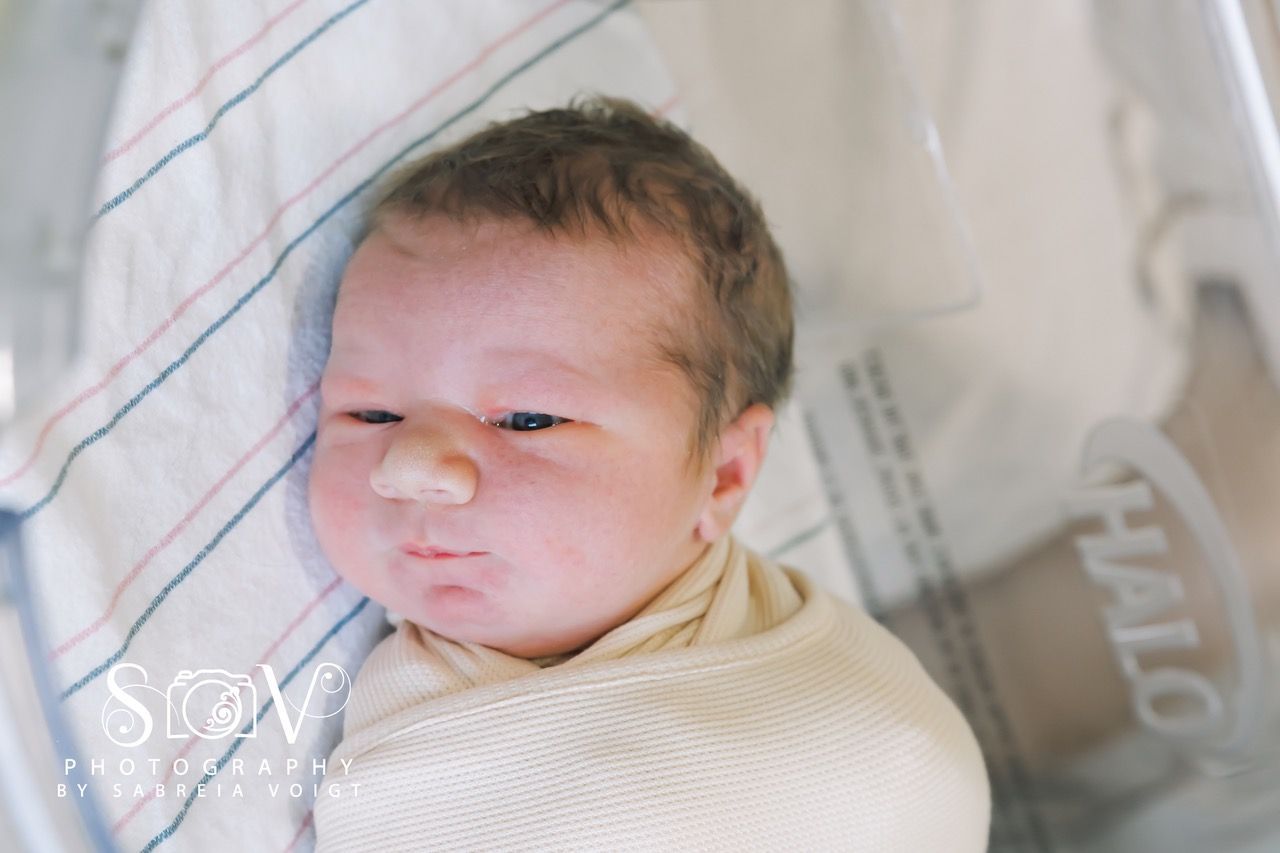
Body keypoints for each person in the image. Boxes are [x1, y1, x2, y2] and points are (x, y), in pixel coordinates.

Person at [307, 95, 990, 850]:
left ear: (725, 475)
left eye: (528, 420)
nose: (408, 469)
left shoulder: (843, 722)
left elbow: (912, 777)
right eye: (369, 415)